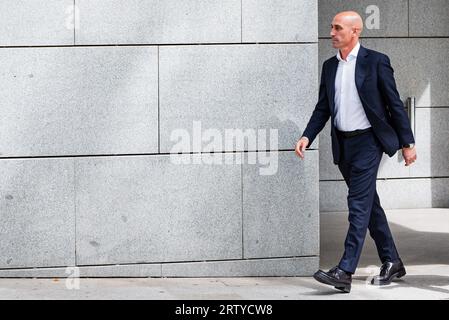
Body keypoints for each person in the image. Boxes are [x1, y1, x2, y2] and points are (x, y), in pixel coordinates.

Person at [295, 11, 417, 293]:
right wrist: (307, 135)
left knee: (357, 206)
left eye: (338, 28)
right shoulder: (329, 66)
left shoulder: (376, 62)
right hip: (344, 144)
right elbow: (323, 107)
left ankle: (345, 270)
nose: (332, 32)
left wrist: (407, 144)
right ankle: (392, 260)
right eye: (332, 27)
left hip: (368, 144)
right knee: (369, 205)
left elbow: (394, 105)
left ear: (355, 31)